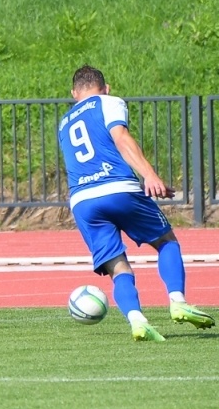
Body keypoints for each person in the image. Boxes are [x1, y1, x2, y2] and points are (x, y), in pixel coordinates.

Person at [57, 66, 214, 341]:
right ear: (106, 88)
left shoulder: (64, 121)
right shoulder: (108, 102)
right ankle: (177, 301)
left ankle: (137, 321)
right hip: (118, 188)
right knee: (166, 240)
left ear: (74, 94)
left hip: (82, 201)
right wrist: (150, 175)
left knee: (118, 267)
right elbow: (121, 138)